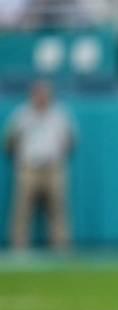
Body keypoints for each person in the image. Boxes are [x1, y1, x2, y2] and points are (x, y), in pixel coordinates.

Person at [5, 81, 75, 251]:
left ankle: (62, 247)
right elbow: (9, 141)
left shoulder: (60, 115)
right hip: (29, 167)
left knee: (58, 208)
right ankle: (19, 247)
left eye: (45, 94)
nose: (41, 98)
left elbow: (71, 140)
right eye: (38, 94)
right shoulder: (22, 115)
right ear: (32, 95)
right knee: (23, 209)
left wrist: (60, 158)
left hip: (54, 168)